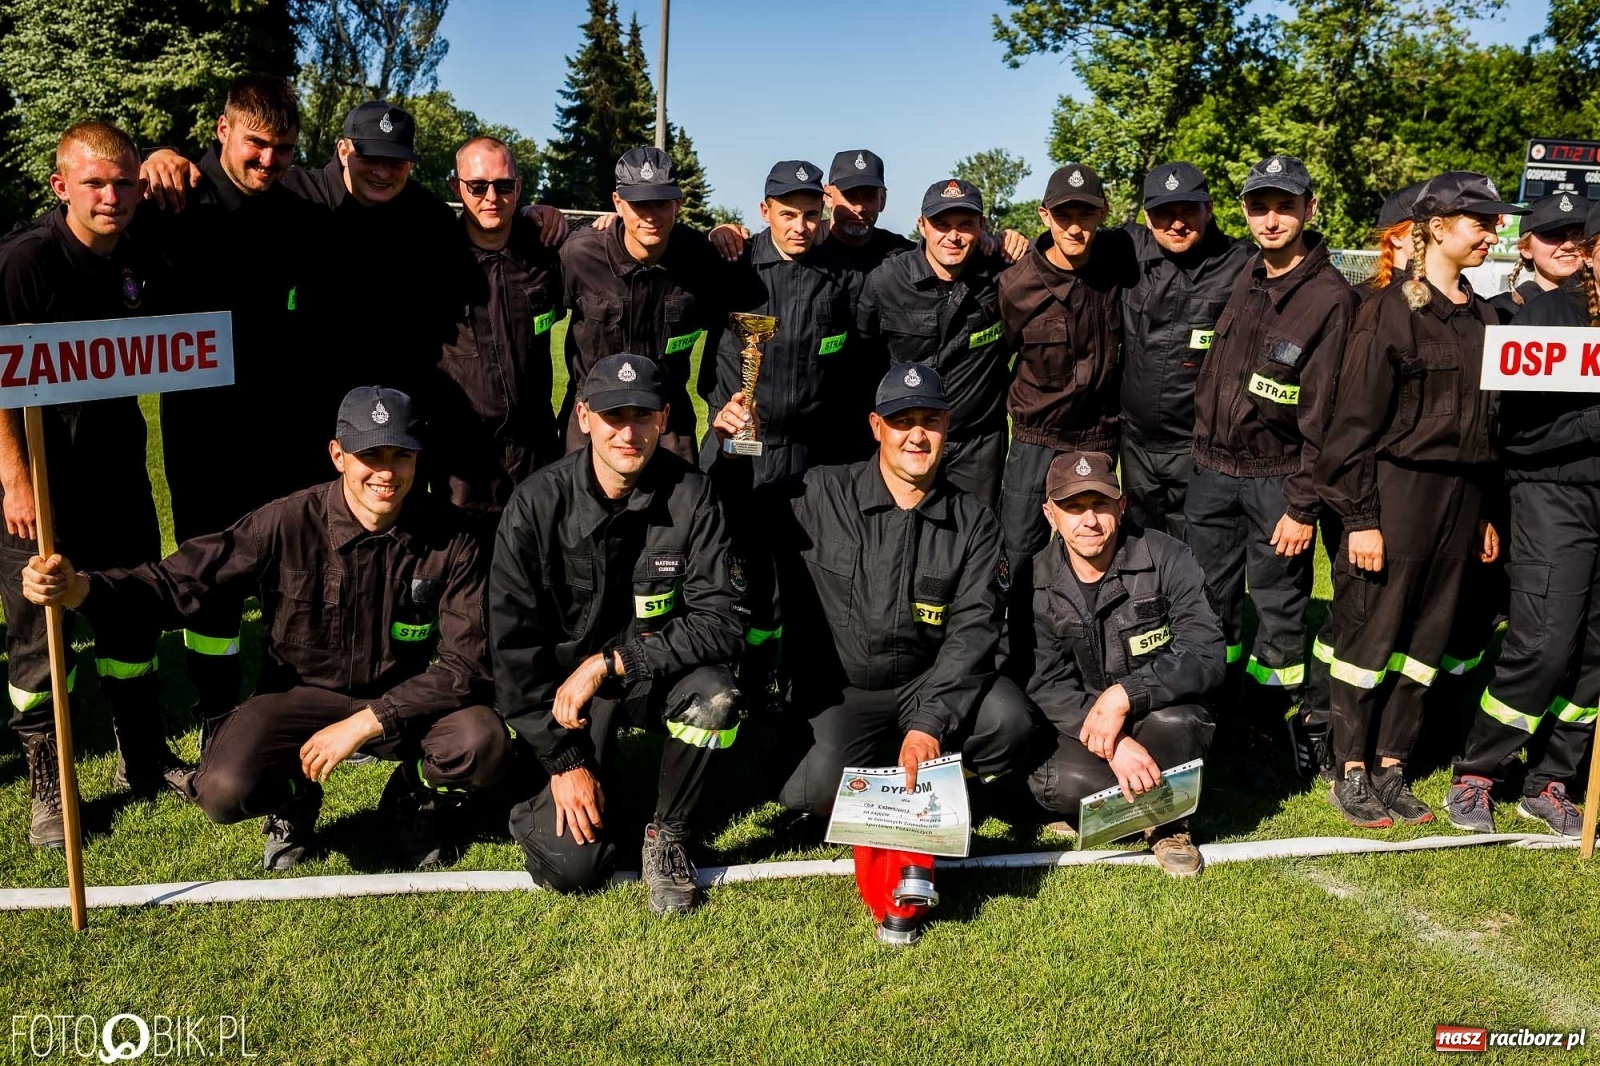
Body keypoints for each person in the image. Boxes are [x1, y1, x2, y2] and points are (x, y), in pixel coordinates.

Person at [21, 387, 510, 869]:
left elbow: (466, 665)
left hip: (398, 698)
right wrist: (81, 589)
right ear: (338, 455)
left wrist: (370, 719)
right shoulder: (284, 522)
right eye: (370, 454)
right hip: (295, 697)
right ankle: (294, 795)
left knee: (481, 742)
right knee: (222, 791)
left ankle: (411, 791)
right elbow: (179, 584)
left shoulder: (454, 538)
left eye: (401, 455)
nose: (386, 472)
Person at [711, 364, 1034, 847]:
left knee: (1009, 722)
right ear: (877, 427)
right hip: (844, 691)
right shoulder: (817, 494)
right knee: (810, 791)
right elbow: (733, 517)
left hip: (928, 683)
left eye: (930, 421)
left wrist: (929, 723)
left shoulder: (974, 523)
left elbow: (974, 633)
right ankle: (884, 766)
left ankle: (947, 780)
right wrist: (732, 452)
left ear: (947, 426)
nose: (917, 436)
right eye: (902, 422)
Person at [491, 354, 744, 915]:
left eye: (642, 416)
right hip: (565, 700)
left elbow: (722, 622)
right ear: (584, 417)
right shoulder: (535, 505)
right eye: (613, 416)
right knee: (575, 867)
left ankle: (669, 837)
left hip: (643, 674)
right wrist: (563, 762)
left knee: (716, 696)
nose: (628, 433)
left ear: (664, 418)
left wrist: (611, 662)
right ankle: (528, 790)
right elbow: (512, 654)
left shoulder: (694, 495)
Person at [1317, 172, 1522, 828]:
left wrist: (1483, 511)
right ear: (1436, 227)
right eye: (1480, 223)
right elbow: (1351, 427)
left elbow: (1489, 428)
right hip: (1396, 492)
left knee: (1426, 640)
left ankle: (1391, 765)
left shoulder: (1485, 318)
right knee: (1370, 634)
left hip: (1461, 501)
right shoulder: (1389, 311)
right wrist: (1360, 519)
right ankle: (1350, 769)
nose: (1492, 234)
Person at [132, 74, 332, 745]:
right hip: (204, 433)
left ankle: (285, 705)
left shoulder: (299, 209)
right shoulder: (174, 199)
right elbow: (95, 212)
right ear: (223, 131)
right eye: (256, 144)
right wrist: (153, 158)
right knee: (212, 578)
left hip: (287, 427)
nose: (270, 160)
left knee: (290, 573)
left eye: (284, 148)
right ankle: (217, 712)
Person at [0, 122, 185, 849]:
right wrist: (15, 480)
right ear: (61, 187)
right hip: (37, 482)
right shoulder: (25, 261)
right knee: (38, 634)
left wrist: (171, 158)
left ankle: (142, 754)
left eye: (124, 183)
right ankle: (50, 781)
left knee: (130, 612)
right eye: (95, 184)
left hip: (117, 472)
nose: (112, 197)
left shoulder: (138, 250)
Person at [1185, 155, 1358, 792]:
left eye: (1285, 206)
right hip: (1212, 472)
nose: (1272, 219)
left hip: (1277, 482)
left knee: (1280, 613)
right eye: (1260, 207)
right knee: (1209, 606)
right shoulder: (1244, 272)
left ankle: (1265, 727)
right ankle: (1213, 719)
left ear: (1310, 208)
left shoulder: (1330, 298)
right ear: (1244, 212)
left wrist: (1303, 504)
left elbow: (1328, 417)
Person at [1447, 202, 1600, 838]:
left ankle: (1550, 781)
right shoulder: (1547, 316)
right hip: (1553, 498)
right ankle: (1478, 772)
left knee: (1595, 652)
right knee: (1544, 642)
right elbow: (1513, 434)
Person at [1014, 451, 1224, 875]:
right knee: (1055, 782)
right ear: (1050, 515)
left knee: (1180, 725)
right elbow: (1045, 683)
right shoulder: (1032, 581)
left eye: (1100, 504)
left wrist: (1126, 695)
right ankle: (1142, 797)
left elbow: (1206, 652)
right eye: (1073, 507)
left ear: (1121, 505)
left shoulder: (1168, 557)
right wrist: (1114, 744)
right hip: (1083, 729)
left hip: (1155, 715)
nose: (1089, 520)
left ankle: (1168, 826)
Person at [559, 147, 744, 462]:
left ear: (678, 204)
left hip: (668, 422)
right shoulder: (579, 255)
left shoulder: (701, 258)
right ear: (618, 202)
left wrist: (729, 233)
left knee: (686, 494)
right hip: (594, 419)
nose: (650, 215)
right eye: (638, 203)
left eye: (661, 203)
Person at [998, 163, 1134, 560]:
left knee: (1096, 547)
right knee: (1020, 550)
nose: (1074, 227)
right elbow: (995, 361)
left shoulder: (1118, 265)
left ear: (1103, 213)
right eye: (1063, 215)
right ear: (1044, 215)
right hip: (1035, 438)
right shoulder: (1015, 284)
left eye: (1085, 214)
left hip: (1099, 438)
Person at [428, 136, 565, 518]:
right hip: (462, 465)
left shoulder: (546, 254)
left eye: (504, 185)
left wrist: (612, 220)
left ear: (518, 188)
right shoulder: (431, 260)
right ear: (456, 187)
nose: (492, 197)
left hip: (536, 456)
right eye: (477, 186)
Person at [856, 179, 1013, 508]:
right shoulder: (887, 281)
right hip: (909, 441)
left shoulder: (1003, 276)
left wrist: (1015, 240)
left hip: (976, 446)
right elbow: (862, 358)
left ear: (982, 226)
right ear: (922, 225)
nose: (953, 236)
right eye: (941, 224)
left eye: (965, 224)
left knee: (975, 531)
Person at [702, 160, 862, 482]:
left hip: (812, 456)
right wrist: (714, 234)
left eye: (811, 215)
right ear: (765, 211)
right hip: (733, 442)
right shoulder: (731, 265)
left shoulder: (843, 277)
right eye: (788, 214)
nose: (800, 227)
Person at [1117, 162, 1253, 540]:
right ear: (1147, 217)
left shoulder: (1243, 264)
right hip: (1136, 447)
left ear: (1208, 209)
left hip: (1200, 451)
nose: (1176, 223)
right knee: (1140, 552)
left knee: (1197, 558)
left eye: (1187, 210)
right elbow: (1065, 242)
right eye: (1164, 213)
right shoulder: (1125, 249)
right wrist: (1005, 242)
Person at [1489, 192, 1587, 323]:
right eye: (1553, 235)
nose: (1569, 245)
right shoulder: (1501, 310)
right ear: (1525, 248)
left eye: (1579, 235)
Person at [821, 149, 915, 272]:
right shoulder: (806, 248)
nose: (859, 208)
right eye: (850, 196)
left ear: (882, 200)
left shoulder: (905, 257)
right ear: (828, 196)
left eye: (869, 197)